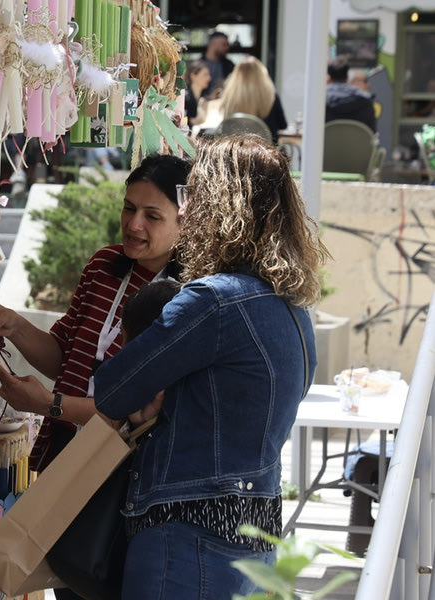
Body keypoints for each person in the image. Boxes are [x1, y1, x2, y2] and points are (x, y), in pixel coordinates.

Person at [94, 136, 329, 599]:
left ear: (218, 206)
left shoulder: (214, 299)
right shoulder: (294, 312)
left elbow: (112, 389)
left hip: (186, 540)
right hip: (255, 537)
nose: (187, 209)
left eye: (191, 196)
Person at [0, 154, 191, 475]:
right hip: (64, 446)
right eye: (129, 208)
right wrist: (14, 325)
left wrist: (49, 404)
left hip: (124, 467)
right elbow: (67, 359)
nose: (134, 224)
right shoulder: (103, 267)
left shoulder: (186, 297)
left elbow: (137, 411)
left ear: (185, 223)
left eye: (153, 216)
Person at [219, 56, 288, 143]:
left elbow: (225, 127)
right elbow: (283, 125)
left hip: (235, 151)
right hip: (265, 152)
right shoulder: (271, 97)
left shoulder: (229, 97)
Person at [325, 56, 377, 132]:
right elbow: (372, 132)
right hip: (359, 143)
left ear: (328, 78)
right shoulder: (365, 101)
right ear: (347, 77)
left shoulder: (320, 101)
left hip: (328, 143)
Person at [200, 32, 235, 97]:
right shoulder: (198, 65)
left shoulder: (229, 66)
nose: (227, 48)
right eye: (224, 44)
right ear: (213, 44)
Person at [183, 60, 211, 125]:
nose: (209, 78)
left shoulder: (204, 98)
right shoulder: (184, 99)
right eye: (205, 74)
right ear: (193, 76)